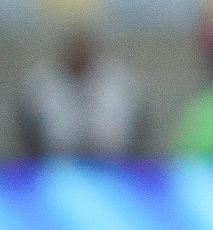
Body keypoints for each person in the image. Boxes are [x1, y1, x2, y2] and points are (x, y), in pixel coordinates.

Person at [17, 29, 144, 158]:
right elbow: (26, 130)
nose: (79, 56)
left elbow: (140, 128)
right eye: (74, 52)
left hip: (112, 164)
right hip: (55, 164)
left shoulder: (122, 82)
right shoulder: (40, 84)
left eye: (84, 51)